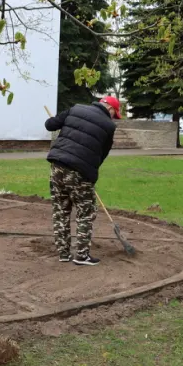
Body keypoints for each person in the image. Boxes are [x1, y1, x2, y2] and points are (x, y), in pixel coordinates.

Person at [45, 96, 117, 266]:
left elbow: (50, 125)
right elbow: (102, 155)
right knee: (86, 212)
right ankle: (81, 256)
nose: (114, 118)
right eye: (115, 114)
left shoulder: (75, 108)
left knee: (61, 211)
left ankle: (63, 253)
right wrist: (89, 175)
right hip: (80, 171)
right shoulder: (109, 126)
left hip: (57, 165)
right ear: (110, 109)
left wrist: (55, 120)